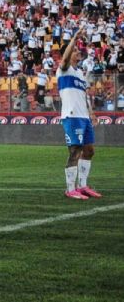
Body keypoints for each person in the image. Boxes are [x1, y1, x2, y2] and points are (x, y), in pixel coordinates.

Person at [57, 27, 101, 200]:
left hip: (84, 117)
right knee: (75, 151)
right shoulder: (64, 69)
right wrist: (73, 38)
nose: (77, 53)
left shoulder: (80, 74)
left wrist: (92, 113)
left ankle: (82, 186)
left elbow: (84, 96)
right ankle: (70, 188)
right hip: (72, 116)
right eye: (75, 51)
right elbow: (65, 57)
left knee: (89, 150)